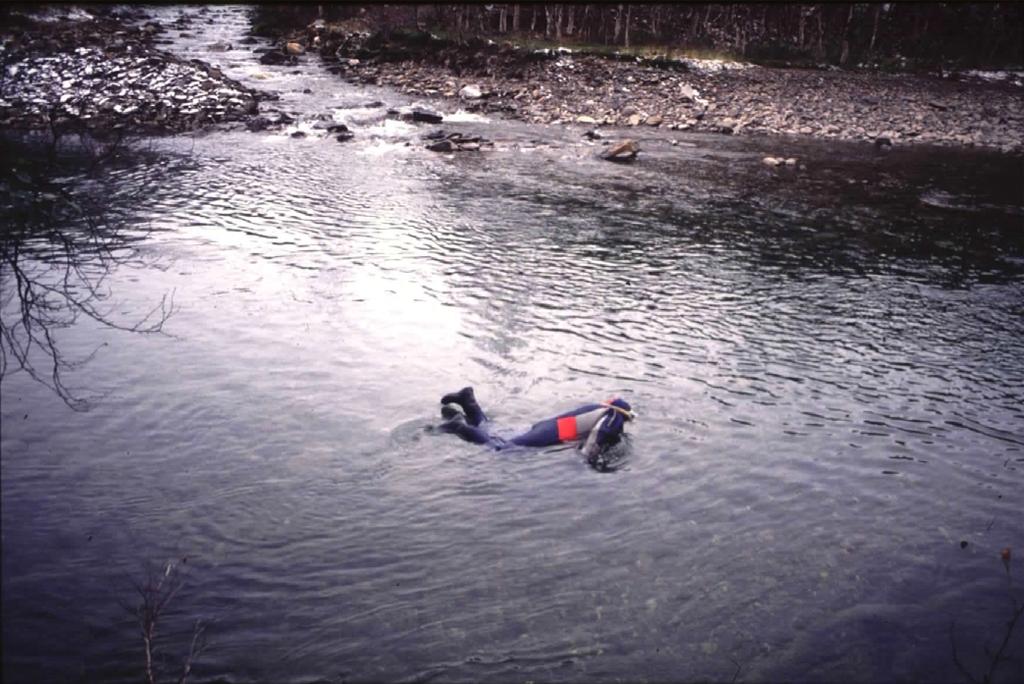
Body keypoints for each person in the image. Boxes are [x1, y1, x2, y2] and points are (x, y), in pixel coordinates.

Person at [437, 386, 635, 457]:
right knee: (502, 449)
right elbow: (598, 438)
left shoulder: (597, 408)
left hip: (547, 427)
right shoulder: (613, 416)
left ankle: (468, 401)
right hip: (552, 433)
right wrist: (585, 458)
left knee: (496, 435)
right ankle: (458, 426)